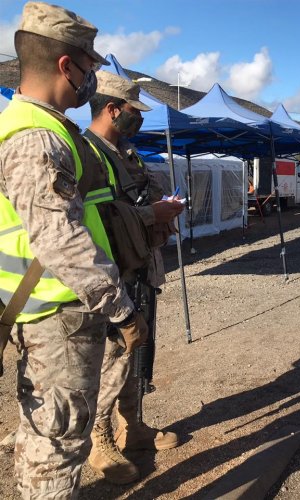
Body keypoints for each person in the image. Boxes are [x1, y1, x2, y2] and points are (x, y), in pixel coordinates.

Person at [0, 2, 148, 497]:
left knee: (45, 435)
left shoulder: (42, 127)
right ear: (68, 65)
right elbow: (62, 241)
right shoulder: (37, 137)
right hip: (57, 317)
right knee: (59, 444)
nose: (91, 81)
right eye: (90, 68)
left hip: (50, 310)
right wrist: (123, 312)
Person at [83, 70, 184, 484]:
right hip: (112, 275)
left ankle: (133, 426)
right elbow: (95, 221)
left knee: (137, 353)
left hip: (140, 268)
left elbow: (137, 197)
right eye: (132, 113)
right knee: (112, 358)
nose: (137, 120)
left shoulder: (127, 154)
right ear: (112, 109)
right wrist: (151, 214)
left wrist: (162, 206)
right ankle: (99, 438)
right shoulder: (87, 155)